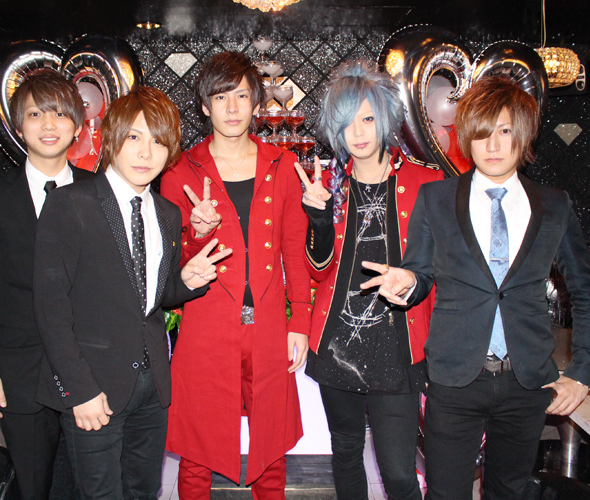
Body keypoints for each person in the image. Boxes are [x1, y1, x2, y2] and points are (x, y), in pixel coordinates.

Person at [363, 76, 590, 500]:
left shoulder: (554, 204)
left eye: (505, 131)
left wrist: (582, 373)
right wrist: (407, 283)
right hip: (455, 378)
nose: (493, 145)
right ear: (467, 138)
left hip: (527, 380)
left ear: (524, 136)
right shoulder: (436, 199)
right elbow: (420, 275)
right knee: (445, 493)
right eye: (482, 133)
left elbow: (586, 291)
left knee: (509, 492)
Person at [32, 86, 231, 500]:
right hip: (93, 386)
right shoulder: (70, 203)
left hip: (151, 387)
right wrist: (79, 390)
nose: (145, 152)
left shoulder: (167, 213)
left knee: (144, 491)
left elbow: (150, 298)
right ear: (111, 139)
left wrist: (187, 281)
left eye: (158, 141)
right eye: (134, 137)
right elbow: (50, 308)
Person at [160, 51, 311, 499]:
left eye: (242, 96)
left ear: (256, 103)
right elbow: (171, 266)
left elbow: (293, 250)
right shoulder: (179, 171)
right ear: (204, 105)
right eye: (220, 97)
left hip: (268, 324)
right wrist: (196, 234)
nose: (231, 107)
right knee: (196, 451)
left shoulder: (282, 165)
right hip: (206, 325)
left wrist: (300, 321)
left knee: (271, 448)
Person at [295, 60, 442, 500]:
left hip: (398, 347)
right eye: (345, 124)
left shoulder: (425, 183)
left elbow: (438, 270)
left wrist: (411, 281)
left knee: (398, 472)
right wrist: (319, 220)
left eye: (367, 119)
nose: (356, 133)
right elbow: (318, 270)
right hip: (337, 345)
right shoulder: (328, 186)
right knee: (345, 453)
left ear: (386, 119)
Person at [0, 69, 91, 500]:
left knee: (89, 487)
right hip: (20, 372)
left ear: (78, 125)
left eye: (59, 113)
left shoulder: (100, 192)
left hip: (89, 370)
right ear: (18, 126)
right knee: (33, 487)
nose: (48, 124)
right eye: (36, 114)